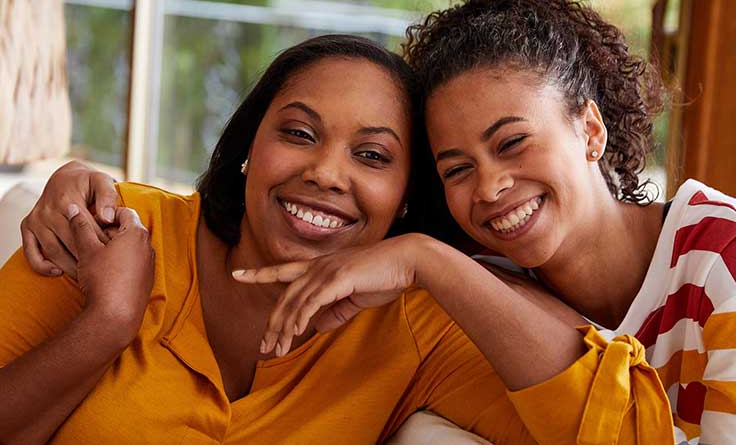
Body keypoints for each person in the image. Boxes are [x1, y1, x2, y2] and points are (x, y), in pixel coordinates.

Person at [1, 34, 557, 443]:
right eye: (298, 133)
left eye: (372, 156)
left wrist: (433, 262)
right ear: (249, 148)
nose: (325, 173)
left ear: (407, 194)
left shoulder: (419, 327)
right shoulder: (111, 227)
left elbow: (610, 423)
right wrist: (109, 321)